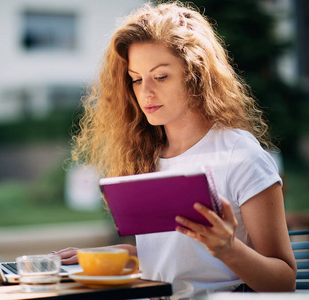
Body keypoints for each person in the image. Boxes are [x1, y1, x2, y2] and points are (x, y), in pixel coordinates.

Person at [54, 1, 297, 299]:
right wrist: (106, 256)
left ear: (196, 75)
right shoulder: (146, 153)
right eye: (136, 79)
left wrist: (228, 248)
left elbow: (284, 281)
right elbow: (178, 261)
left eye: (161, 76)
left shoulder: (241, 155)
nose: (146, 93)